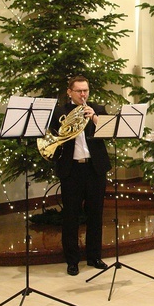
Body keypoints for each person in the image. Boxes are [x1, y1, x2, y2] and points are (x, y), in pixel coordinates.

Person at [50, 76, 111, 276]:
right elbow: (54, 138)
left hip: (95, 169)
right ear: (70, 92)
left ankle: (94, 256)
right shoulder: (59, 112)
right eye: (79, 91)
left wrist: (93, 117)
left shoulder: (97, 109)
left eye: (86, 90)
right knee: (71, 216)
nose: (83, 94)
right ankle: (72, 260)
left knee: (96, 214)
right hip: (72, 170)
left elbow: (109, 132)